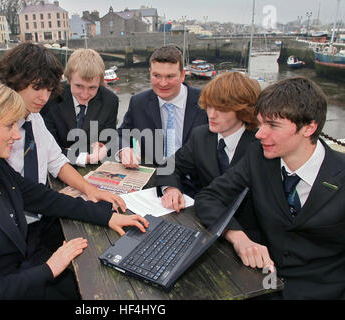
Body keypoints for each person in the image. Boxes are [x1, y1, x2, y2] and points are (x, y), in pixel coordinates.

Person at [0, 79, 149, 300]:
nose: (17, 136)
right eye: (9, 126)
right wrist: (49, 269)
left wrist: (107, 216)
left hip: (23, 277)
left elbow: (47, 199)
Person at [194, 76, 345, 299]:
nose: (259, 133)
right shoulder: (257, 157)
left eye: (272, 125)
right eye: (261, 122)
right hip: (259, 284)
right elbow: (209, 198)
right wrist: (239, 237)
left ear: (309, 127)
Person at [0, 43, 126, 213]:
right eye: (37, 88)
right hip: (11, 212)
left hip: (37, 207)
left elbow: (56, 161)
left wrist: (91, 190)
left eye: (49, 89)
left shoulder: (35, 119)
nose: (43, 97)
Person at [156, 72, 261, 241]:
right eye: (210, 106)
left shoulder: (261, 145)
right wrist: (171, 189)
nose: (211, 114)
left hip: (249, 238)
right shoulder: (201, 136)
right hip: (204, 226)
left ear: (243, 110)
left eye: (221, 109)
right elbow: (170, 166)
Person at [117, 45, 207, 195]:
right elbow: (121, 134)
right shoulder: (138, 102)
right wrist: (124, 149)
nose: (163, 83)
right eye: (156, 76)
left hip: (198, 186)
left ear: (183, 75)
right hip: (155, 182)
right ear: (150, 73)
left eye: (170, 77)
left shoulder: (205, 102)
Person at [41, 48, 118, 166]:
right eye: (79, 86)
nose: (85, 94)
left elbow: (107, 140)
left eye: (92, 88)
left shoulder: (110, 101)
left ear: (100, 83)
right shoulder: (51, 98)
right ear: (68, 78)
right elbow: (48, 147)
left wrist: (101, 147)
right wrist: (84, 157)